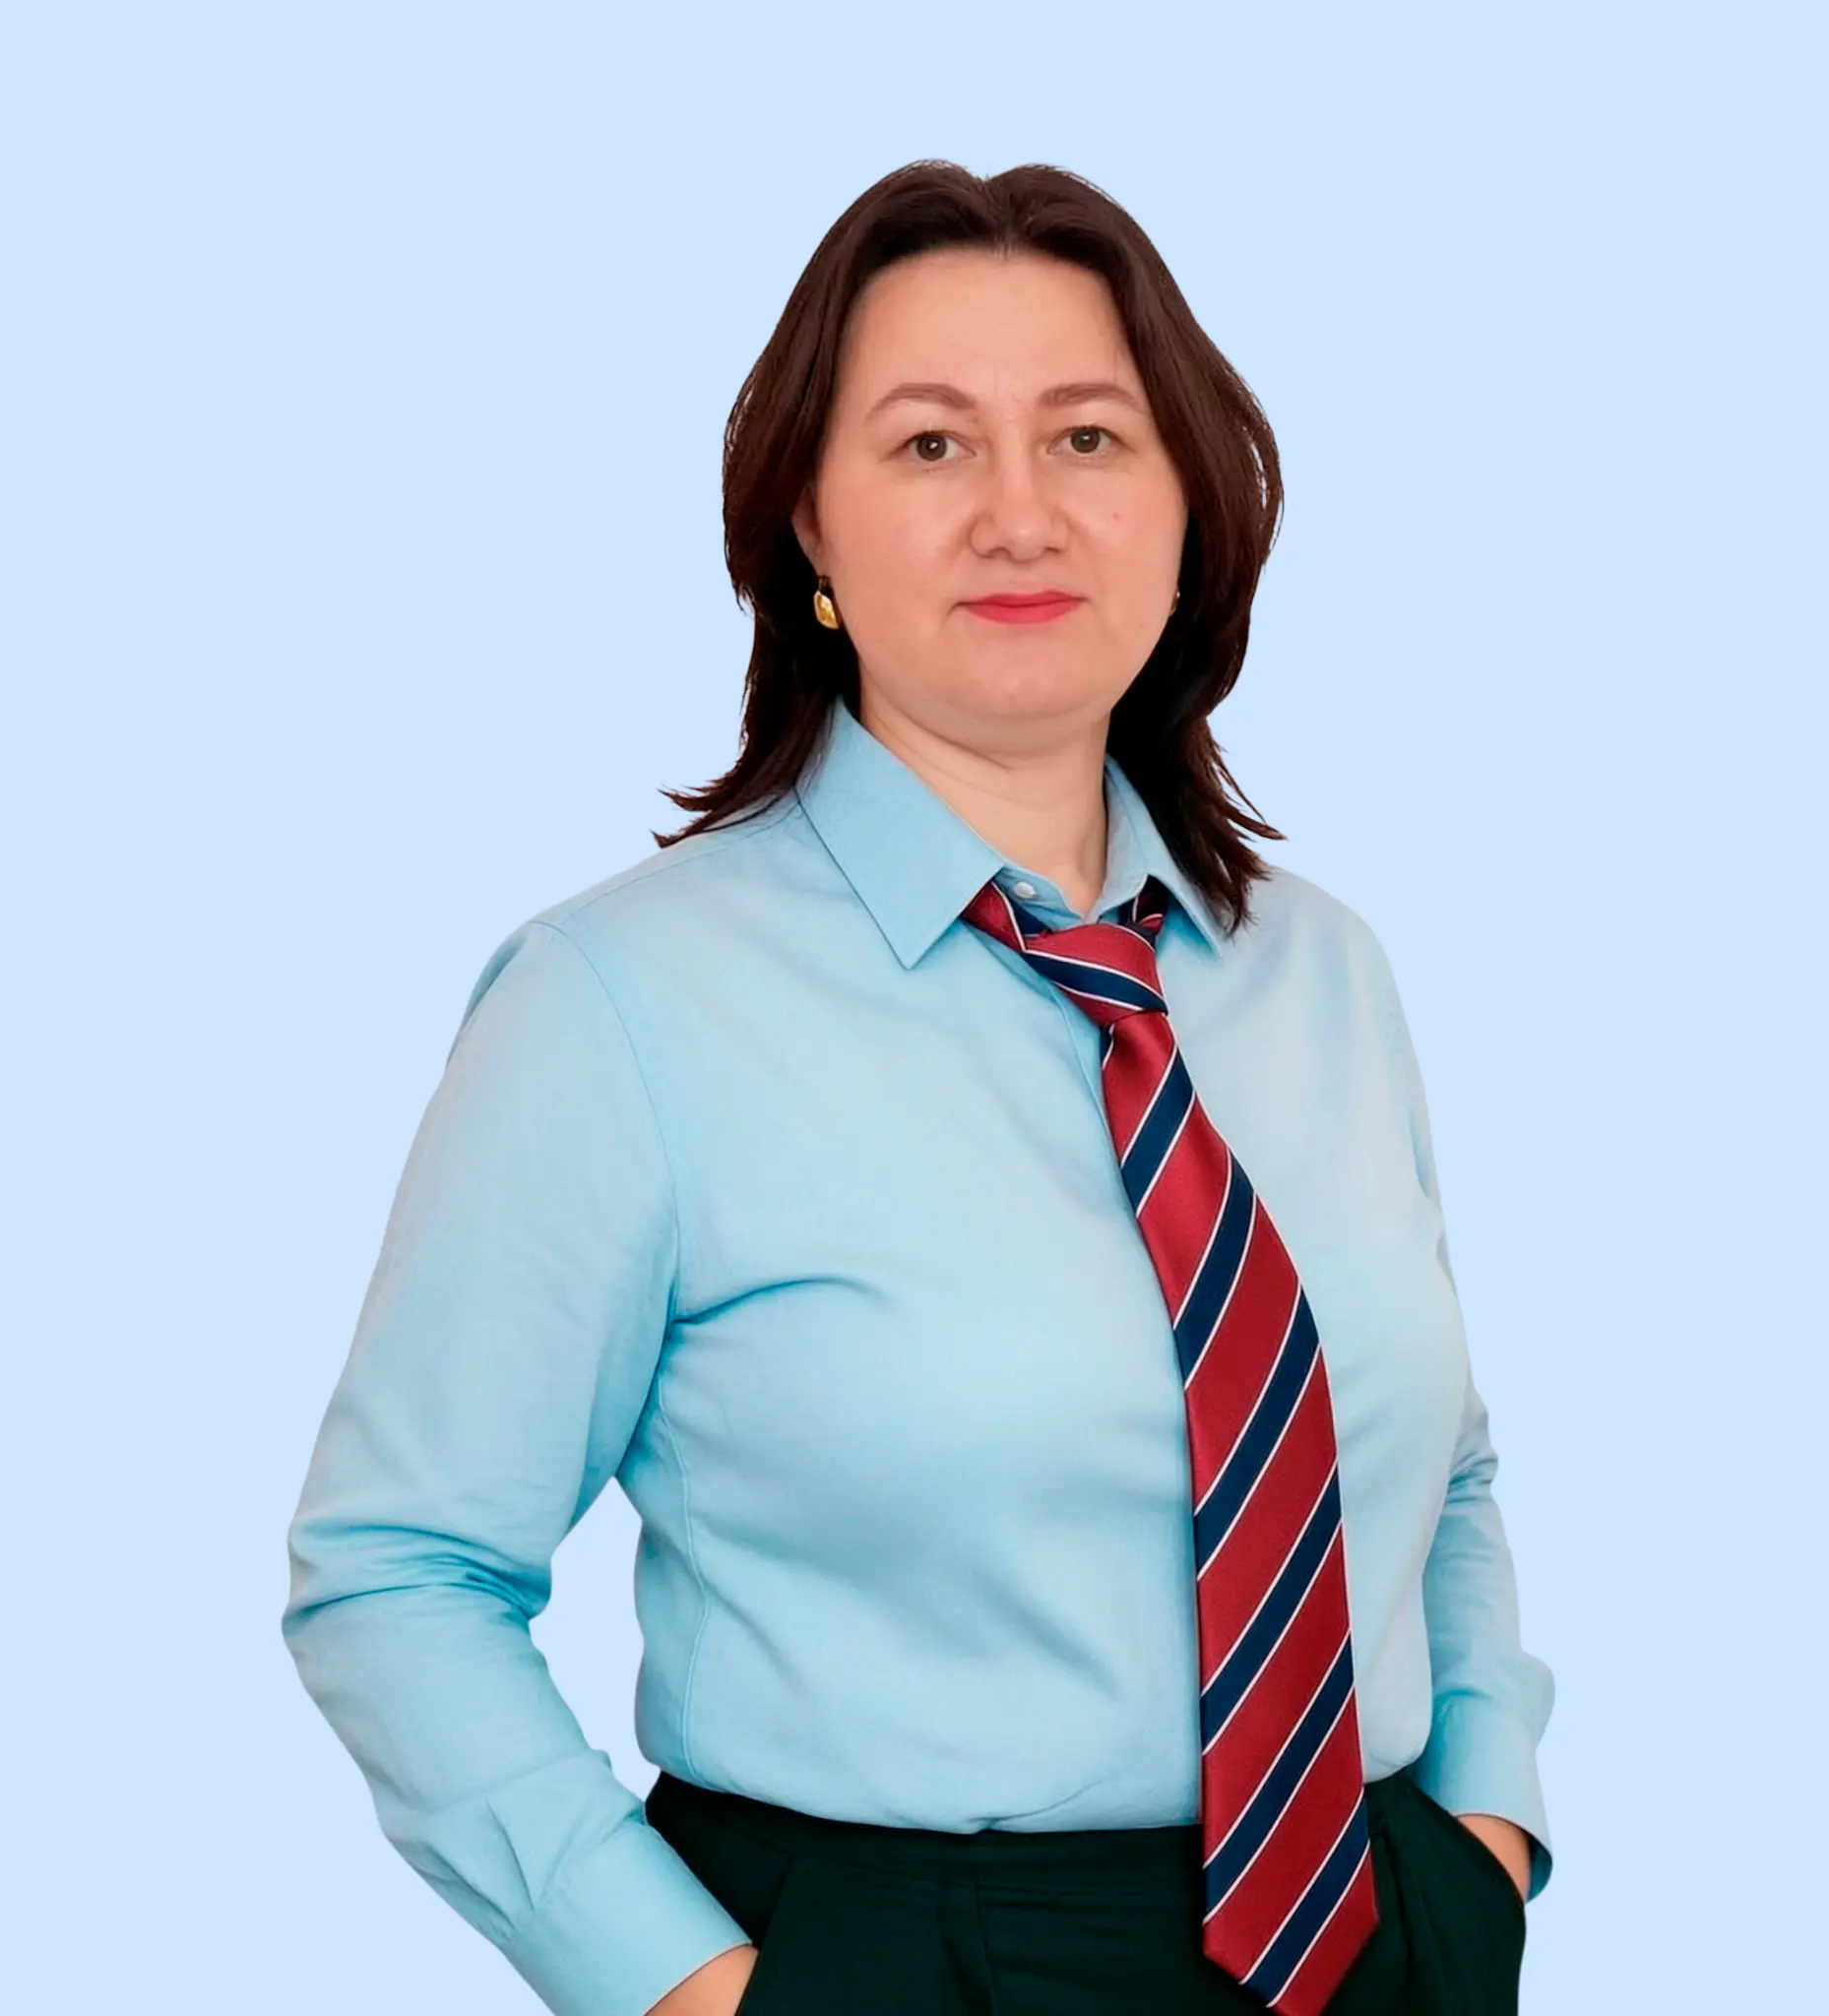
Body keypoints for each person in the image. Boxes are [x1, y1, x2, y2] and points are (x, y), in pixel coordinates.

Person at [284, 158, 1556, 2016]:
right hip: (909, 1956)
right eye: (931, 445)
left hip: (1378, 1938)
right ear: (807, 521)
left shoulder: (1322, 972)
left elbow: (1440, 1467)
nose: (1019, 514)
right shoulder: (617, 1009)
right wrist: (696, 1989)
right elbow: (396, 1572)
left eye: (1090, 438)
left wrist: (1484, 1835)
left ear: (1189, 509)